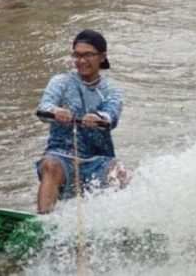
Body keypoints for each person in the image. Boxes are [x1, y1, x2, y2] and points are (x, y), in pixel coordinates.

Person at [35, 29, 127, 213]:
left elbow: (111, 116)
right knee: (50, 165)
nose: (81, 61)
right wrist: (56, 111)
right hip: (61, 156)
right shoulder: (60, 82)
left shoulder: (112, 91)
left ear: (102, 57)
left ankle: (118, 222)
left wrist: (99, 118)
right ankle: (43, 220)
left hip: (98, 159)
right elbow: (44, 108)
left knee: (120, 171)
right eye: (77, 55)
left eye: (88, 55)